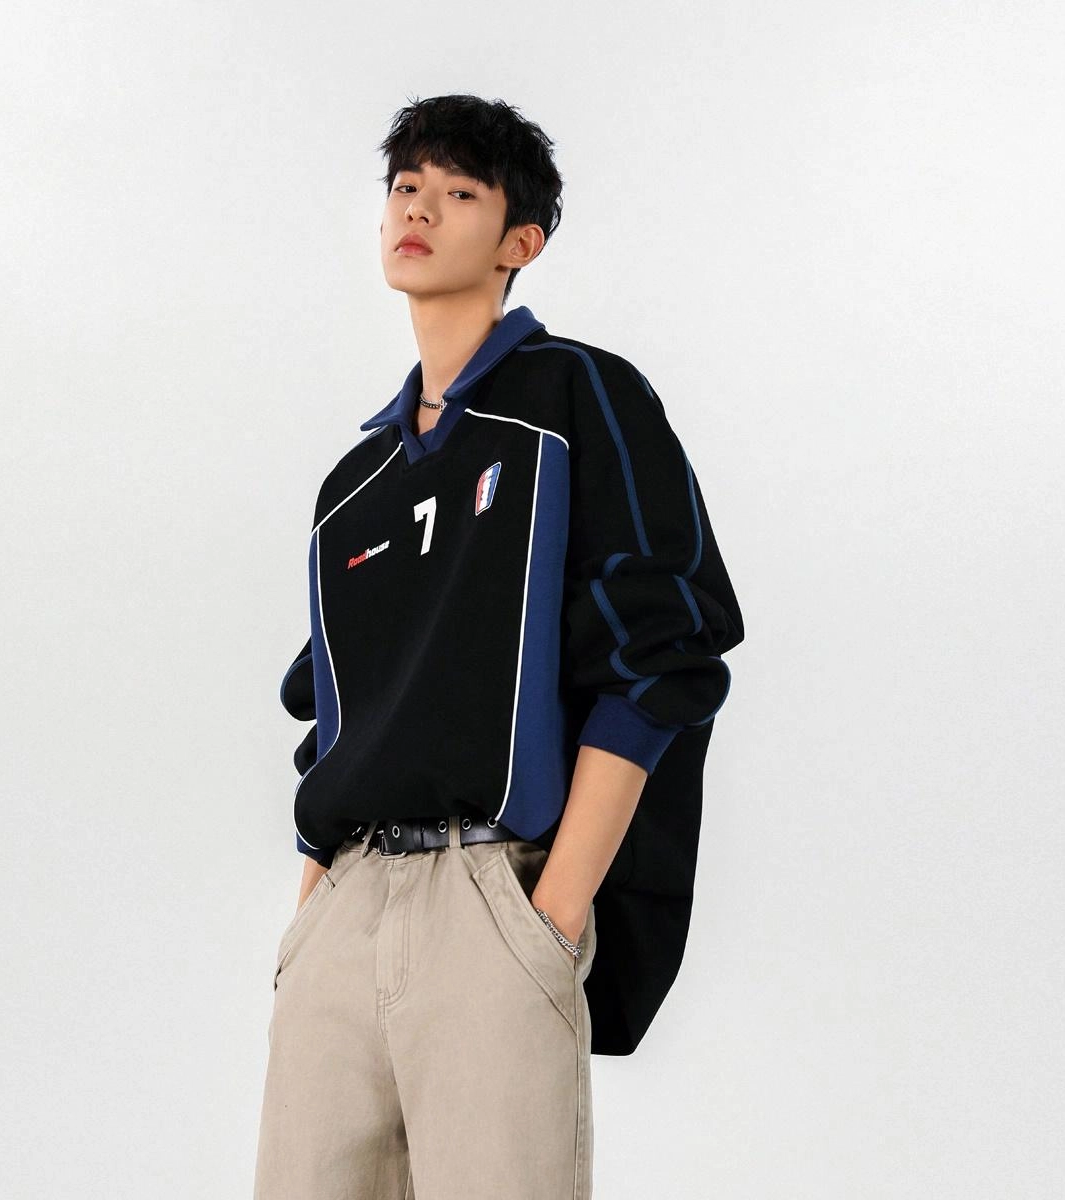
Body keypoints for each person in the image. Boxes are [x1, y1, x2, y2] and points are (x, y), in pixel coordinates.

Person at [254, 93, 744, 1200]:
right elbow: (332, 718)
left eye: (459, 191)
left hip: (495, 894)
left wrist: (552, 912)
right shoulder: (355, 486)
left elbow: (662, 654)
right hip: (343, 915)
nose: (418, 209)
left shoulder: (575, 394)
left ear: (521, 241)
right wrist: (310, 921)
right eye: (404, 187)